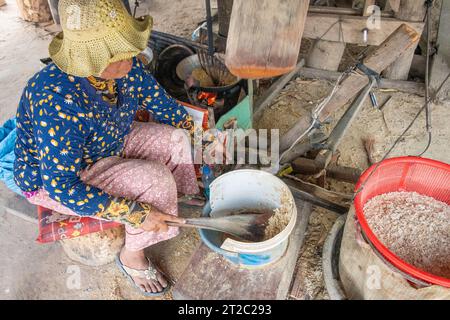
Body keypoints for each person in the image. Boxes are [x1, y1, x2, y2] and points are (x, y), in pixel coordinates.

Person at [14, 0, 201, 296]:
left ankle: (170, 203)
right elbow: (62, 185)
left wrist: (205, 137)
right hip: (65, 176)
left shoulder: (128, 70)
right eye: (125, 53)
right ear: (94, 61)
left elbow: (165, 107)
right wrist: (137, 213)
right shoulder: (56, 99)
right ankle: (132, 257)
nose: (135, 56)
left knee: (176, 139)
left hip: (108, 140)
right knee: (155, 179)